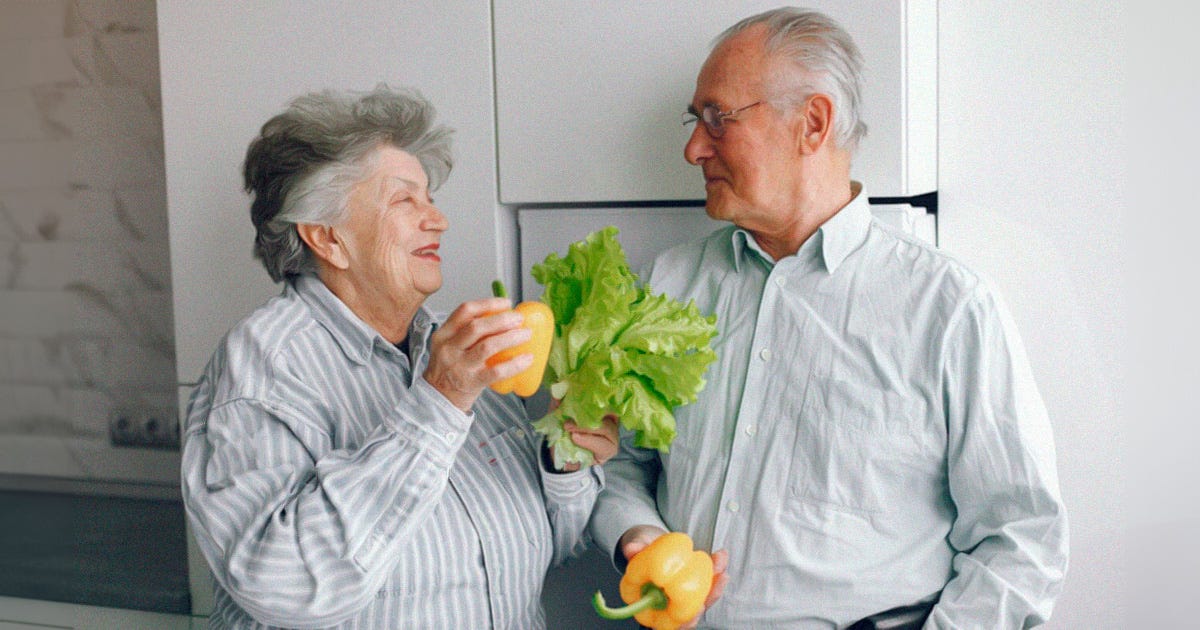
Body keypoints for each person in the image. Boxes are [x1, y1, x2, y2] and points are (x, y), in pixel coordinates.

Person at [590, 7, 1069, 629]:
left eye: (717, 119)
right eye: (695, 120)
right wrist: (638, 536)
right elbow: (622, 464)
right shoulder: (667, 285)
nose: (693, 147)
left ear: (812, 124)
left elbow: (1022, 536)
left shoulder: (947, 308)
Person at [180, 85, 618, 629]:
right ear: (327, 238)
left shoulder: (447, 348)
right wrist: (439, 402)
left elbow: (546, 545)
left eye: (430, 198)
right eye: (405, 200)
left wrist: (566, 461)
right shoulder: (263, 366)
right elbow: (289, 586)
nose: (438, 220)